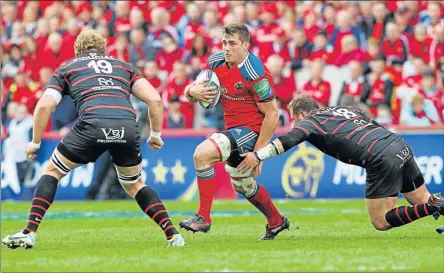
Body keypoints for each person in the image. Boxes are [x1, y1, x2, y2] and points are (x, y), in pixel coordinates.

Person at [2, 30, 185, 249]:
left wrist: (35, 142)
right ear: (104, 49)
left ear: (77, 50)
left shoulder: (69, 67)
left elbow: (44, 105)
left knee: (52, 171)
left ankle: (29, 232)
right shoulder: (124, 66)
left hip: (93, 124)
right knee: (135, 184)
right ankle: (173, 236)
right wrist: (155, 135)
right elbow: (155, 99)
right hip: (127, 126)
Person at [238, 94, 443, 232]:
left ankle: (433, 205)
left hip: (380, 157)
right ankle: (434, 204)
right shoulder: (345, 109)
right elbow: (369, 122)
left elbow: (287, 141)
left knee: (380, 221)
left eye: (295, 120)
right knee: (420, 199)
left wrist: (257, 156)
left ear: (301, 114)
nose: (295, 124)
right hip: (399, 144)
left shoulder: (310, 122)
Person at [179, 24, 290, 240]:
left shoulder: (255, 72)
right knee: (241, 183)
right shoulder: (215, 62)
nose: (226, 48)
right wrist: (192, 91)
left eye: (232, 43)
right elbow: (192, 90)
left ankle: (203, 217)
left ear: (246, 45)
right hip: (232, 128)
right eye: (224, 43)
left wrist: (259, 155)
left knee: (202, 154)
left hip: (252, 131)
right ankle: (276, 221)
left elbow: (272, 114)